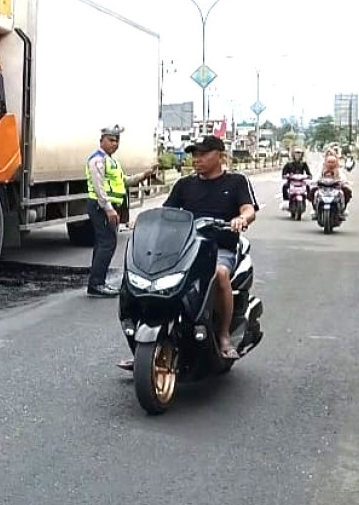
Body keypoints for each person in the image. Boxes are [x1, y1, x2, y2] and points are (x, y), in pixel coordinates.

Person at [120, 135, 258, 369]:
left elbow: (248, 209)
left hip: (219, 247)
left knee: (220, 274)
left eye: (203, 154)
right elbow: (166, 212)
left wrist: (241, 219)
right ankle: (146, 344)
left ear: (220, 156)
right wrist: (143, 222)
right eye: (195, 154)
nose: (196, 159)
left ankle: (224, 335)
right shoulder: (184, 184)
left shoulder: (236, 181)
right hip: (186, 247)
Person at [84, 125, 158, 297]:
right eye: (111, 140)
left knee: (103, 244)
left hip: (106, 207)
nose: (114, 144)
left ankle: (96, 282)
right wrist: (109, 209)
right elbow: (99, 187)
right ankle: (96, 284)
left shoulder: (111, 161)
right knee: (107, 244)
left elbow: (124, 181)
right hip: (101, 207)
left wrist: (143, 175)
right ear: (101, 141)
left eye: (117, 141)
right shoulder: (97, 160)